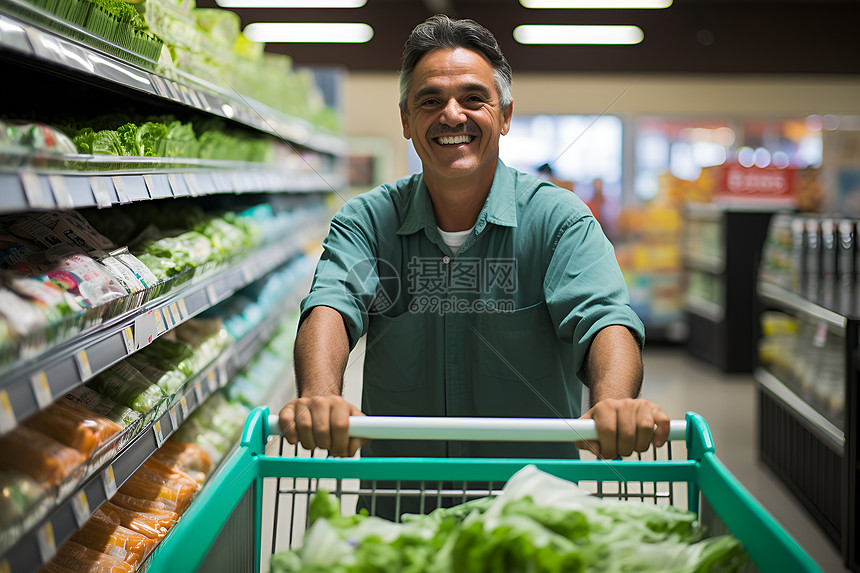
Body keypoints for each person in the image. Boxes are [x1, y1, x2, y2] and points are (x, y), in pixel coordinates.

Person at [279, 15, 669, 469]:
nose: (451, 114)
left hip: (531, 512)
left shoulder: (559, 221)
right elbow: (331, 304)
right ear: (406, 120)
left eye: (473, 98)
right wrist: (320, 396)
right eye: (430, 100)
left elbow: (604, 319)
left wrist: (615, 401)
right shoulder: (367, 221)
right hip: (405, 509)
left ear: (504, 117)